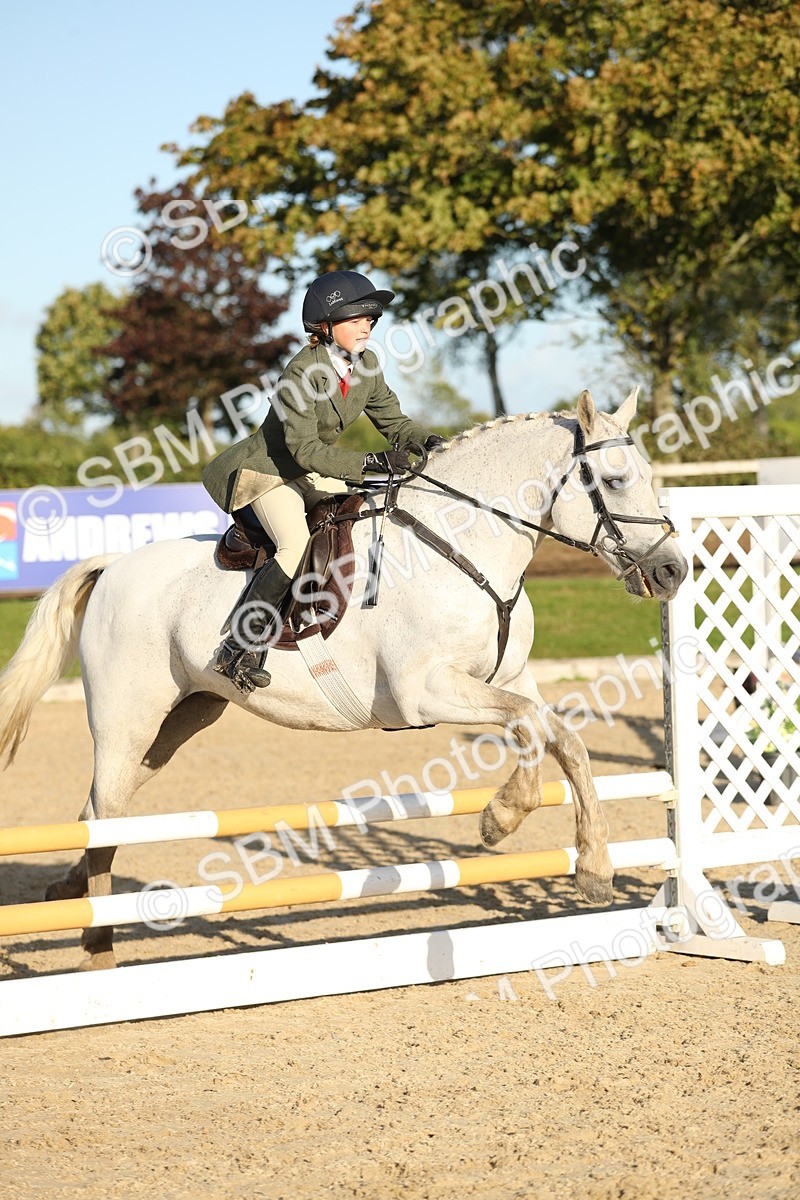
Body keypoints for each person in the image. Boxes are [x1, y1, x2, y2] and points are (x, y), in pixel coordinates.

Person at [202, 269, 445, 693]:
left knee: (364, 512)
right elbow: (304, 451)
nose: (367, 327)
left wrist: (428, 442)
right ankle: (237, 648)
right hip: (269, 473)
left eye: (370, 319)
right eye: (357, 320)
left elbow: (393, 421)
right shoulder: (301, 373)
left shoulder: (366, 366)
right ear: (325, 327)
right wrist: (371, 460)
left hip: (311, 472)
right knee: (294, 542)